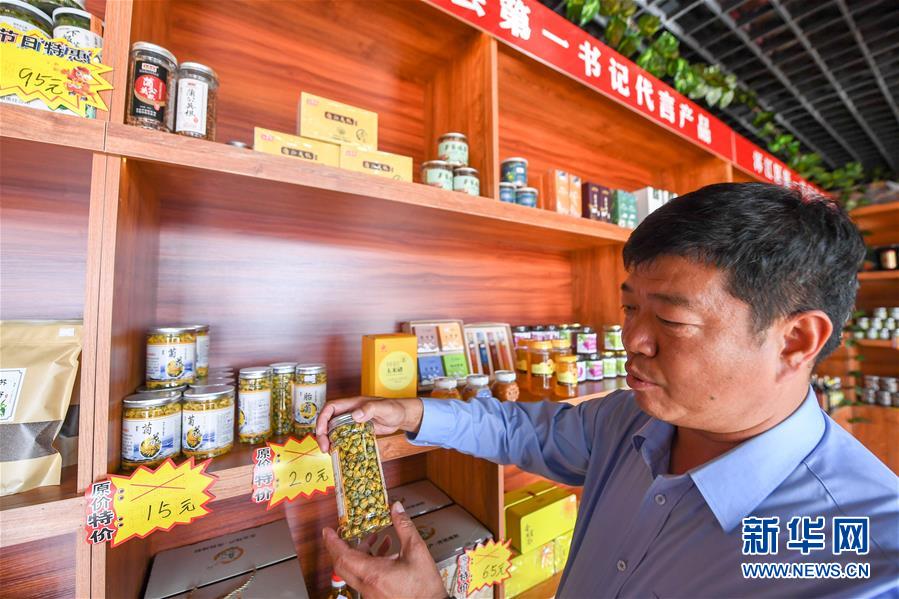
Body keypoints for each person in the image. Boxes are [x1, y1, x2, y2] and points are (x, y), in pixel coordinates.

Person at [315, 183, 899, 598]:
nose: (633, 340)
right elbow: (525, 430)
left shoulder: (865, 559)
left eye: (671, 320)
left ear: (796, 340)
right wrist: (412, 412)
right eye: (629, 308)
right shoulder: (632, 419)